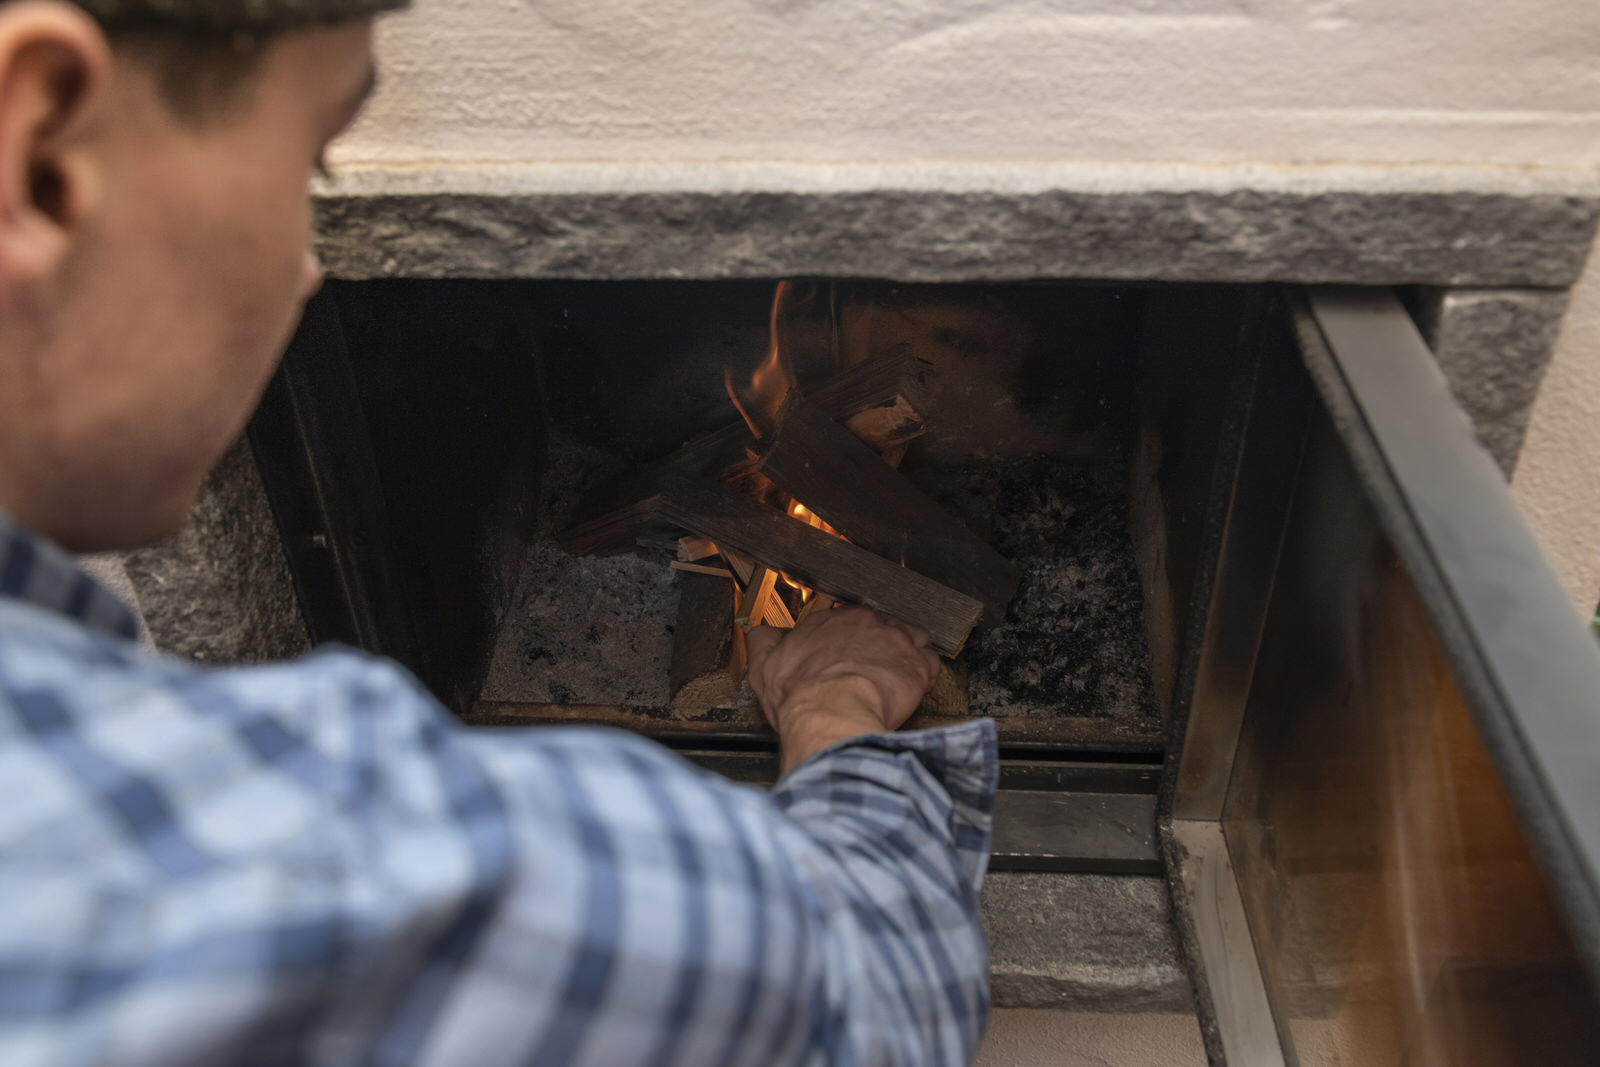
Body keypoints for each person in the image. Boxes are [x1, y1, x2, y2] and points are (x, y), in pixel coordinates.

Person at [0, 0, 999, 1063]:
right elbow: (871, 995)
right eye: (308, 163)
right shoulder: (273, 855)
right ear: (44, 144)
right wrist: (831, 704)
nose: (307, 268)